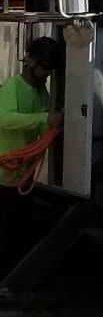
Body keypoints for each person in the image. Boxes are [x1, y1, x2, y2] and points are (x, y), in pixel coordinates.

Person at [0, 33, 62, 272]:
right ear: (31, 62)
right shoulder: (13, 87)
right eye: (44, 69)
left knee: (18, 234)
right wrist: (44, 118)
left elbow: (43, 127)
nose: (46, 75)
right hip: (4, 176)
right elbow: (4, 119)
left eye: (49, 71)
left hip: (22, 177)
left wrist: (53, 123)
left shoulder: (41, 93)